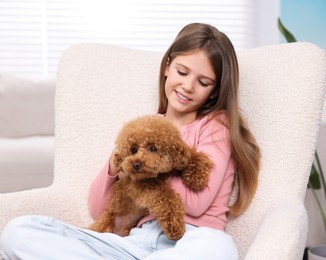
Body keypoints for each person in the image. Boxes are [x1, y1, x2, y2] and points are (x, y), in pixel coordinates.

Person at [0, 22, 260, 260]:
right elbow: (98, 207)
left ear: (214, 90)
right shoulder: (142, 130)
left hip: (192, 240)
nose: (188, 86)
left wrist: (149, 168)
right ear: (168, 66)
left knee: (219, 250)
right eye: (182, 71)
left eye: (203, 82)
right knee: (18, 231)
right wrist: (114, 168)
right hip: (134, 244)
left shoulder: (216, 126)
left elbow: (196, 202)